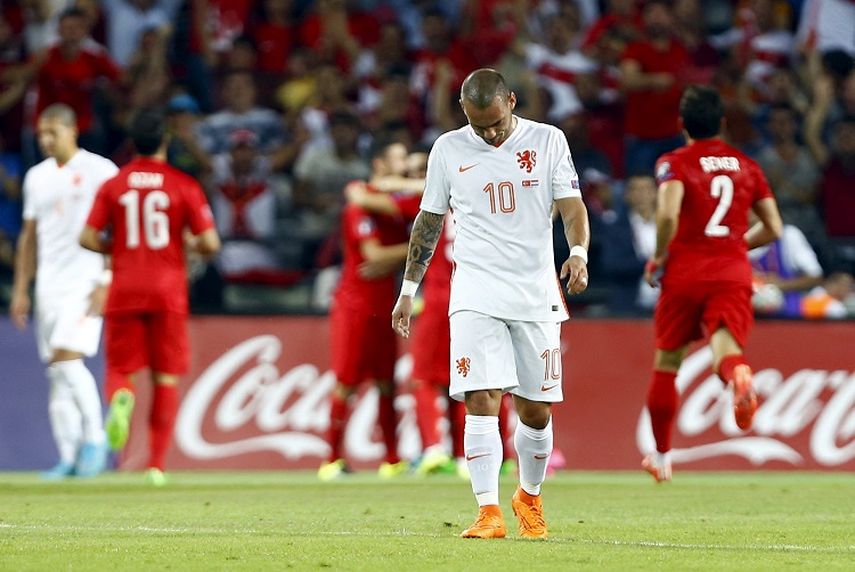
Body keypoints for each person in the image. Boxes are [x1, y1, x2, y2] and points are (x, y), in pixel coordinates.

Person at [392, 69, 591, 540]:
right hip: (475, 291)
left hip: (535, 291)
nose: (490, 133)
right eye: (479, 125)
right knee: (480, 399)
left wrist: (578, 253)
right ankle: (488, 512)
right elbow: (428, 222)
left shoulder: (548, 140)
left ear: (511, 101)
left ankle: (529, 496)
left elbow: (571, 205)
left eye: (496, 122)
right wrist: (407, 289)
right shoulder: (448, 149)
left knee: (535, 410)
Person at [642, 86, 784, 483]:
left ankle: (661, 455)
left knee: (668, 362)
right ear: (722, 123)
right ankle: (738, 374)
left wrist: (659, 256)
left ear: (681, 124)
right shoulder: (747, 165)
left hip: (685, 270)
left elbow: (668, 214)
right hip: (732, 271)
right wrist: (736, 243)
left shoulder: (674, 162)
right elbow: (773, 227)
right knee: (726, 351)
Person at [79, 108, 221, 486]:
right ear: (166, 140)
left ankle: (121, 398)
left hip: (125, 285)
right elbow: (210, 242)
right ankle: (156, 466)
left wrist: (120, 247)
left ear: (131, 143)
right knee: (166, 377)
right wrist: (187, 244)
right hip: (168, 289)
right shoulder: (183, 184)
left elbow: (87, 237)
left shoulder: (115, 184)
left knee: (120, 369)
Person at [10, 103, 117, 479]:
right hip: (49, 286)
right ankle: (69, 456)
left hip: (85, 281)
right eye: (41, 133)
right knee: (57, 372)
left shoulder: (101, 171)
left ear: (73, 131)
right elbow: (28, 238)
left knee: (68, 360)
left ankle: (95, 439)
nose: (45, 140)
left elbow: (116, 230)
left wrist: (107, 280)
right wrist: (22, 289)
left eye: (52, 132)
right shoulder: (36, 177)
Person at [317, 140, 413, 482]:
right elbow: (373, 256)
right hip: (355, 306)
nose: (404, 167)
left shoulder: (392, 207)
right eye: (399, 159)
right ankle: (331, 460)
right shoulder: (359, 209)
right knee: (346, 382)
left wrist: (397, 254)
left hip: (384, 304)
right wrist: (416, 247)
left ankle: (392, 459)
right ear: (379, 164)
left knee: (387, 383)